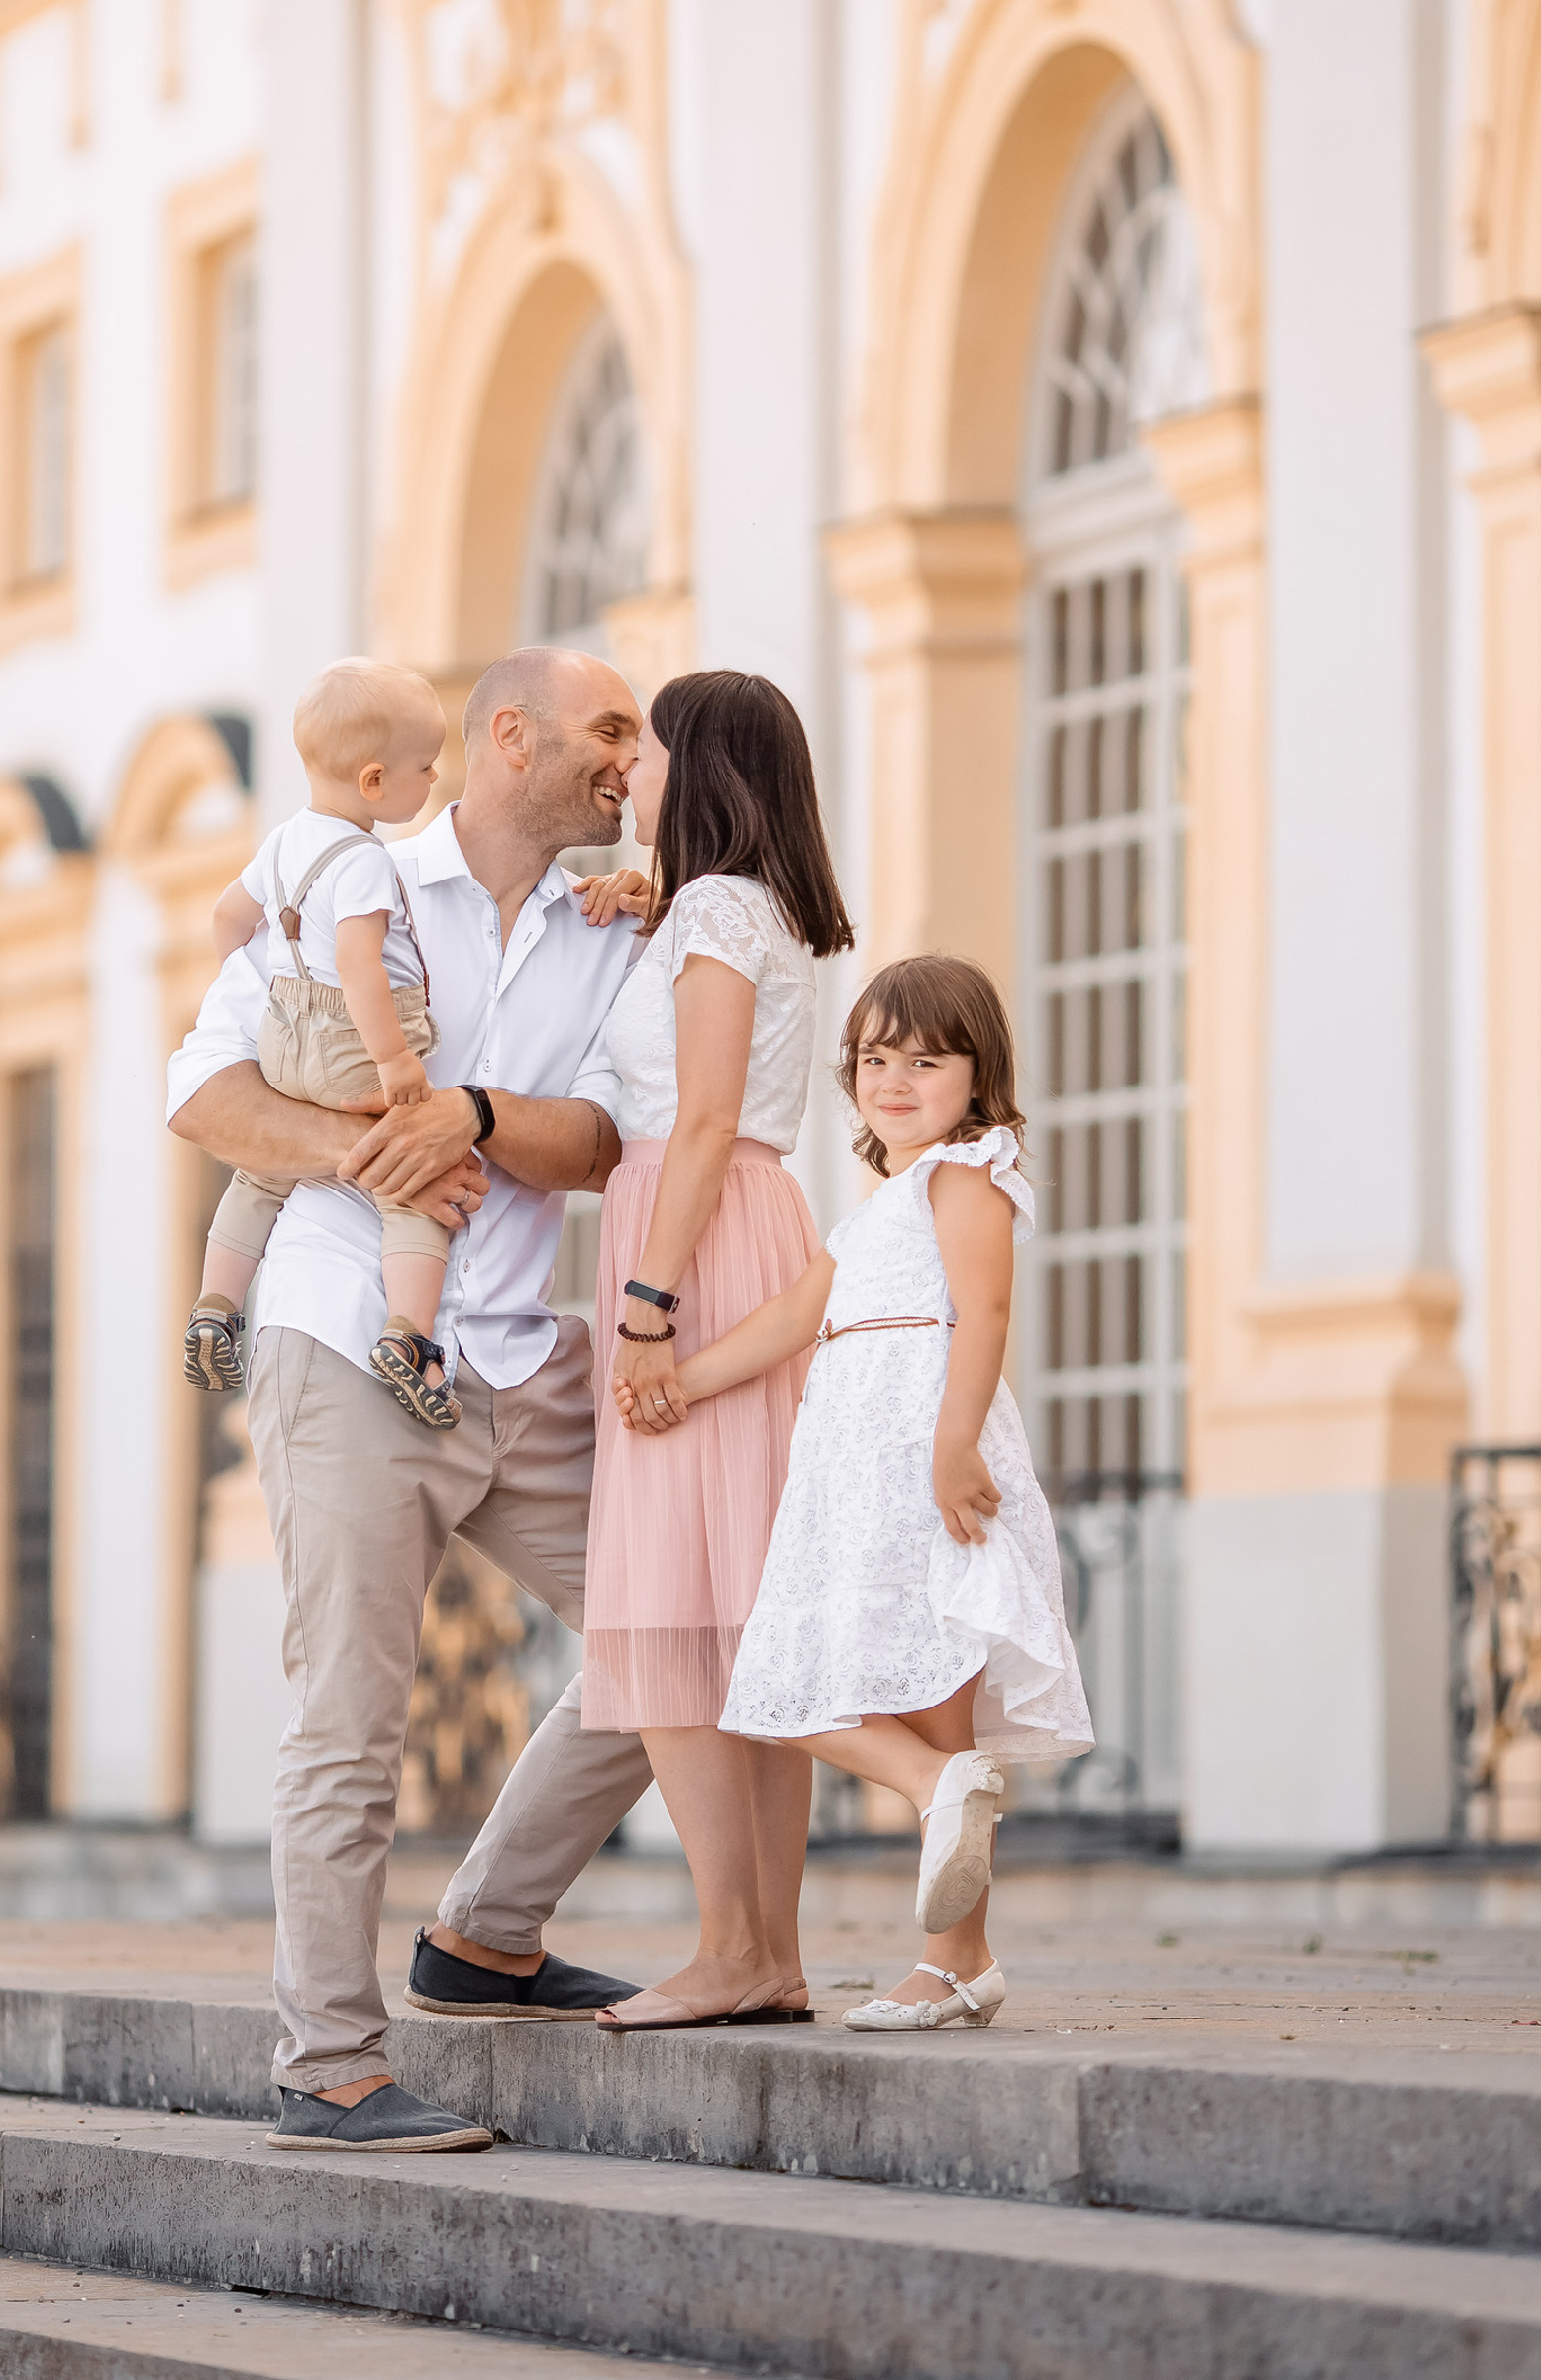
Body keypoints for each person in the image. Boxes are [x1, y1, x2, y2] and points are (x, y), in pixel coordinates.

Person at [166, 647, 658, 2153]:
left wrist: (481, 1121)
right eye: (611, 731)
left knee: (682, 1632)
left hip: (523, 1352)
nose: (631, 760)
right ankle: (327, 2064)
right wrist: (363, 1151)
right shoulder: (345, 879)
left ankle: (487, 1936)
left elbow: (606, 1146)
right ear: (510, 740)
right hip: (348, 1339)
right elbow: (203, 1089)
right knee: (352, 1719)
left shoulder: (611, 921)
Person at [621, 954, 1093, 2032]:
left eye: (926, 1061)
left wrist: (954, 1445)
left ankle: (948, 1954)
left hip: (926, 1448)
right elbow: (797, 1317)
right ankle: (953, 1899)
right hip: (852, 1462)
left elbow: (983, 1314)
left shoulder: (968, 1172)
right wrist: (679, 1382)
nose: (895, 1080)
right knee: (823, 1690)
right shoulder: (883, 1202)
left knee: (927, 1703)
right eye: (876, 1059)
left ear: (978, 1077)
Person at [580, 670, 854, 2033]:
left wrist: (644, 1307)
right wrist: (640, 901)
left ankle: (730, 1948)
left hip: (690, 1238)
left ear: (702, 770)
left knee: (677, 1601)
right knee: (740, 1599)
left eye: (648, 746)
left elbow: (692, 1122)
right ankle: (767, 1951)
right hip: (740, 1222)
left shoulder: (711, 910)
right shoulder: (750, 910)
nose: (627, 767)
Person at [182, 658, 463, 1426]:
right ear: (374, 782)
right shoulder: (367, 860)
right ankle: (407, 1337)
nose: (436, 777)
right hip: (353, 1040)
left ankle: (215, 1307)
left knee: (261, 1175)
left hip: (285, 1032)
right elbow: (360, 967)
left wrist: (267, 989)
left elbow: (225, 919)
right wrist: (395, 1061)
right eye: (424, 766)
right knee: (409, 1183)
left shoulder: (283, 841)